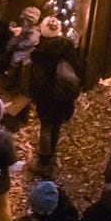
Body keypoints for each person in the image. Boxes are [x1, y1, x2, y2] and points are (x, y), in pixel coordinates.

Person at [25, 17, 83, 176]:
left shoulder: (40, 54)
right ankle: (53, 151)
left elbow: (37, 82)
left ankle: (44, 162)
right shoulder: (68, 47)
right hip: (64, 95)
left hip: (47, 97)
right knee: (57, 124)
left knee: (46, 126)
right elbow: (78, 69)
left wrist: (34, 96)